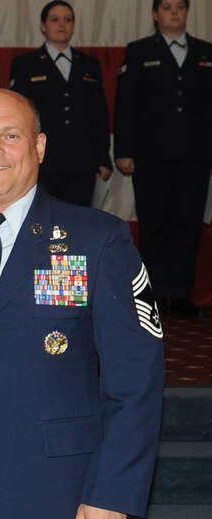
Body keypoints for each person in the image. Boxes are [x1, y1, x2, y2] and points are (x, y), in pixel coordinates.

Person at [0, 88, 164, 519]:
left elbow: (135, 376)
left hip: (58, 508)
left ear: (38, 146)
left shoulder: (95, 238)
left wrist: (115, 491)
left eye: (10, 136)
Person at [114, 0, 212, 317]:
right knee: (154, 227)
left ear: (187, 13)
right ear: (156, 14)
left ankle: (181, 296)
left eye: (180, 7)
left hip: (196, 156)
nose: (174, 12)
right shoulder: (140, 50)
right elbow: (126, 104)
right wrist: (124, 151)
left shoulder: (205, 51)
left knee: (188, 226)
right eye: (167, 7)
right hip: (151, 156)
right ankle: (154, 296)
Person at [9, 0, 112, 207]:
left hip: (82, 160)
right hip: (43, 159)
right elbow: (18, 115)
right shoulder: (26, 64)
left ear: (74, 25)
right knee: (44, 217)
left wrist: (103, 157)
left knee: (79, 220)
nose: (62, 25)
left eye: (68, 20)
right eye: (55, 20)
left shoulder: (89, 65)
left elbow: (99, 114)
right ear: (43, 26)